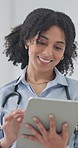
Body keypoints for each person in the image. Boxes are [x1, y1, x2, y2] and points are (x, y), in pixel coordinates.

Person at [0, 7, 78, 148]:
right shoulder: (4, 95)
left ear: (63, 53)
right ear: (27, 41)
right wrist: (7, 141)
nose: (48, 53)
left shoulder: (75, 93)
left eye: (57, 47)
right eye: (41, 42)